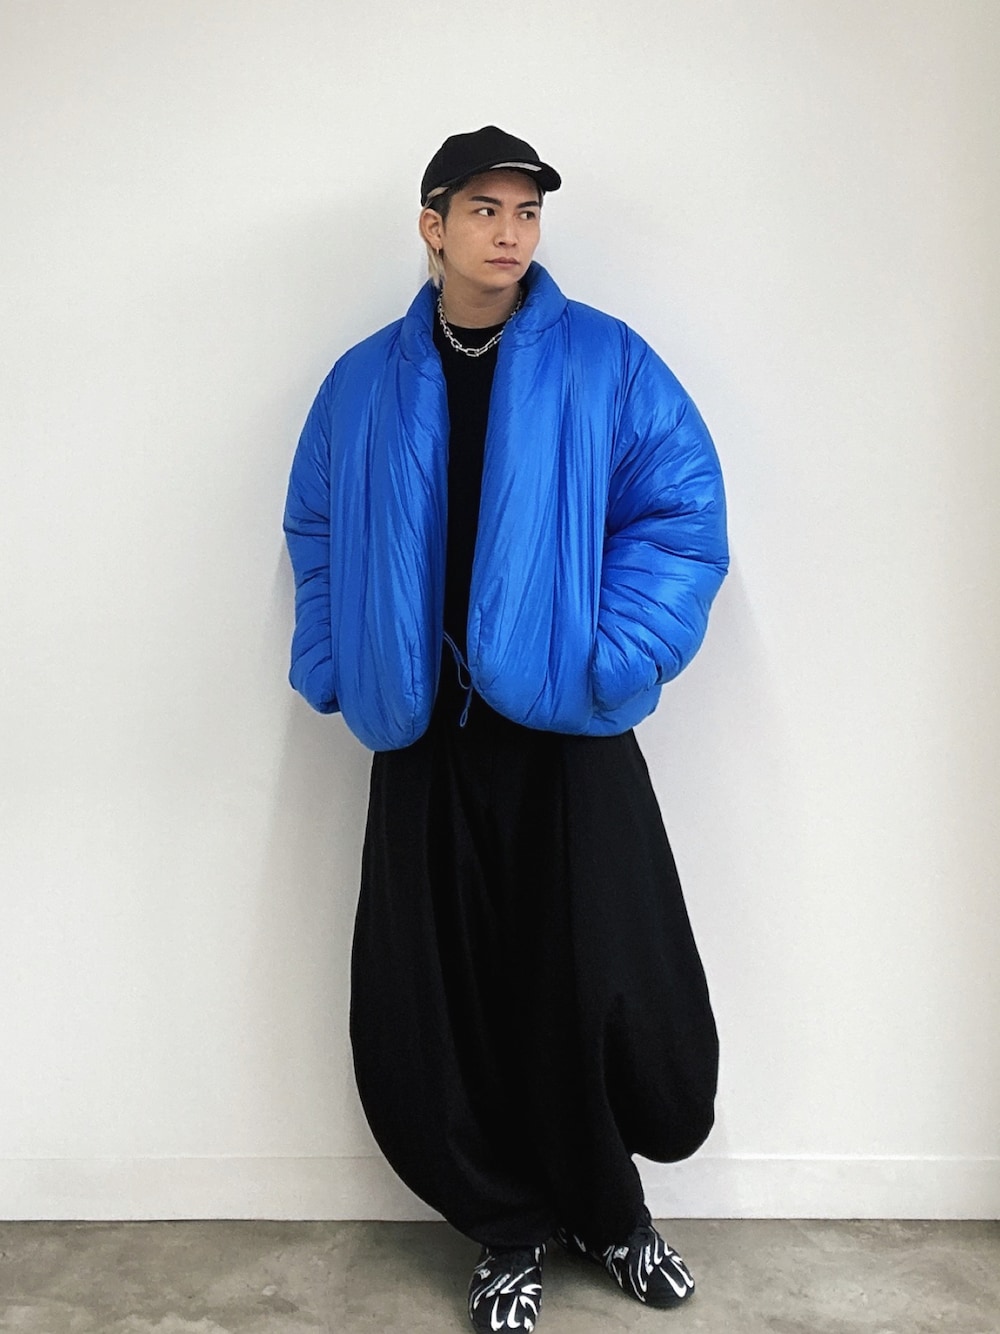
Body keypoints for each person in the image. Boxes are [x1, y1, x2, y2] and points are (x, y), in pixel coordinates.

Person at [283, 125, 728, 1333]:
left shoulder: (604, 361)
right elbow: (315, 526)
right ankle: (507, 1227)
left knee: (592, 980)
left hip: (565, 734)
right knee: (448, 996)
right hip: (423, 732)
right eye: (484, 209)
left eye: (526, 211)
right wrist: (333, 658)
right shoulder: (363, 382)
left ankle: (612, 1212)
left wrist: (608, 656)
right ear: (432, 227)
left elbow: (682, 515)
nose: (510, 232)